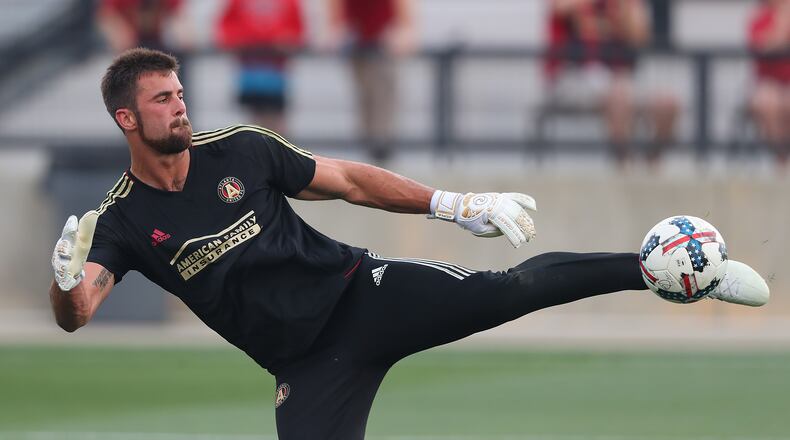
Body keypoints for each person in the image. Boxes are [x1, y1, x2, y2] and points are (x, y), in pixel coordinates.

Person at [50, 48, 766, 439]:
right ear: (126, 119)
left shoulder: (238, 148)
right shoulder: (118, 220)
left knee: (512, 289)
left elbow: (347, 181)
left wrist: (454, 204)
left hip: (364, 295)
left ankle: (666, 271)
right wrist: (63, 281)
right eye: (162, 100)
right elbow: (79, 311)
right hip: (304, 363)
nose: (180, 106)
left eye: (179, 93)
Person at [544, 0, 679, 167]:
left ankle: (651, 163)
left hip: (621, 76)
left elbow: (639, 38)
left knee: (666, 103)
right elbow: (561, 8)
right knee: (619, 94)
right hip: (573, 76)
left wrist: (624, 11)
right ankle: (624, 166)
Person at [323, 0, 416, 162]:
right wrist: (335, 26)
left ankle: (381, 145)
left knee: (383, 96)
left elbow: (404, 11)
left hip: (383, 42)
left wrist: (405, 29)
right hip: (357, 41)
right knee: (366, 96)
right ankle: (370, 145)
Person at [215, 0, 305, 134]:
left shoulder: (290, 2)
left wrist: (287, 40)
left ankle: (277, 152)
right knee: (254, 123)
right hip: (249, 74)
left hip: (276, 76)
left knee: (275, 122)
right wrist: (240, 40)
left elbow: (297, 29)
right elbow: (226, 26)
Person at [748, 0, 790, 167]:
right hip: (768, 83)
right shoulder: (760, 19)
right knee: (768, 101)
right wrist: (783, 22)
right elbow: (764, 46)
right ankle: (780, 160)